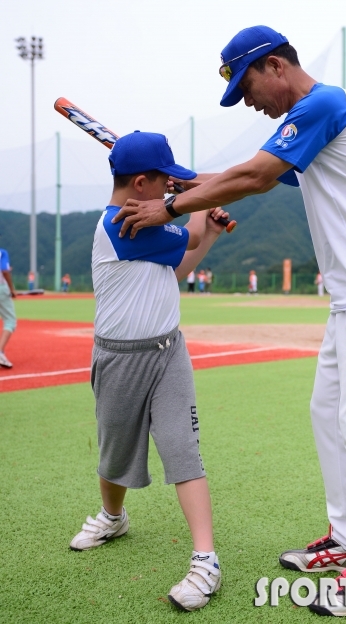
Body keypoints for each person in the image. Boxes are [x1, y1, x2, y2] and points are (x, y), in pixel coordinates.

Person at [113, 26, 346, 616]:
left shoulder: (326, 103)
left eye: (248, 86)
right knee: (328, 416)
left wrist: (169, 204)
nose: (249, 102)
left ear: (277, 65)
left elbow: (255, 177)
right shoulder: (307, 128)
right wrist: (188, 183)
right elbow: (248, 173)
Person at [70, 131, 231, 612]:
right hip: (119, 357)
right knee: (115, 450)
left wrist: (200, 219)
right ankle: (112, 516)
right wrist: (196, 201)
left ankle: (207, 559)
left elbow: (175, 266)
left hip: (167, 353)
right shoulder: (122, 223)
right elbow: (193, 231)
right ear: (140, 183)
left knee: (183, 448)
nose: (168, 191)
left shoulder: (146, 218)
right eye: (163, 183)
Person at [0, 247, 17, 368]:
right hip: (1, 288)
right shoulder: (2, 252)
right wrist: (12, 289)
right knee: (10, 321)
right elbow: (5, 271)